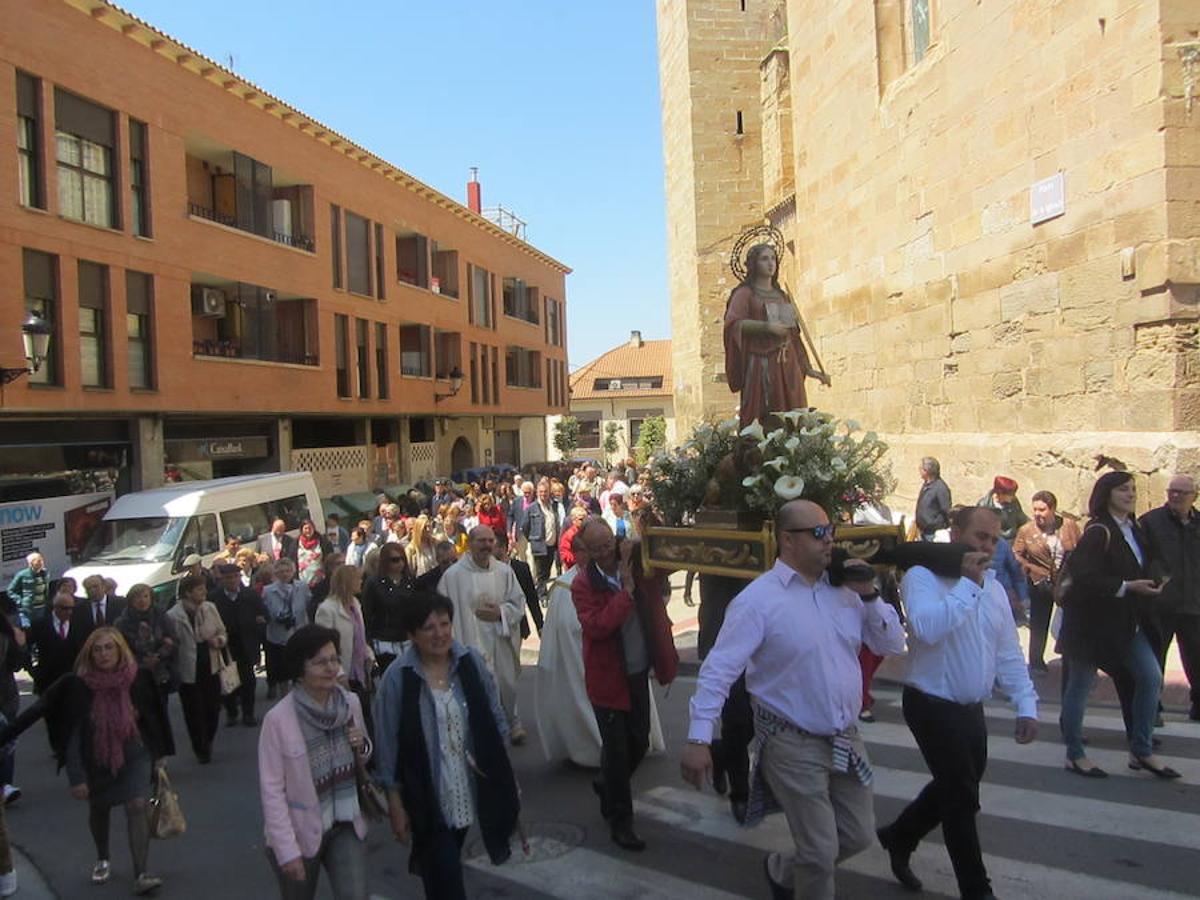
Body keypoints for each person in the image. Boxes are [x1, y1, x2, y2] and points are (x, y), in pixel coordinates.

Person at [680, 501, 902, 896]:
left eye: (830, 530)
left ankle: (782, 870)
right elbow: (719, 670)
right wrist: (699, 738)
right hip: (791, 742)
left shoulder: (846, 592)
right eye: (818, 533)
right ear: (788, 540)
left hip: (845, 737)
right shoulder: (757, 601)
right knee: (819, 853)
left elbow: (891, 642)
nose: (829, 539)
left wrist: (869, 594)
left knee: (858, 835)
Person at [877, 506, 1038, 898]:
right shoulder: (922, 578)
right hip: (931, 702)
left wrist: (1026, 703)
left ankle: (900, 834)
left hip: (970, 708)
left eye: (993, 539)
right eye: (979, 537)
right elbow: (927, 629)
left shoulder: (995, 588)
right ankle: (976, 889)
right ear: (955, 532)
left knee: (956, 788)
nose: (987, 546)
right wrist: (968, 583)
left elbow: (1007, 652)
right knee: (961, 798)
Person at [372, 592, 520, 900]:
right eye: (428, 627)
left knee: (441, 872)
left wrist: (505, 776)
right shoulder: (398, 678)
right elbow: (388, 745)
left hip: (465, 786)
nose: (439, 633)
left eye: (444, 624)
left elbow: (495, 719)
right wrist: (395, 804)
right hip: (427, 794)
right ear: (412, 635)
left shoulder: (470, 663)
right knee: (447, 874)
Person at [1057, 471, 1174, 778]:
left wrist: (1158, 578)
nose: (1130, 494)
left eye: (1133, 489)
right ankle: (1075, 753)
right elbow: (1085, 576)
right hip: (1091, 624)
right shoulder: (1099, 531)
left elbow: (1152, 559)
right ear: (1107, 493)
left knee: (1151, 678)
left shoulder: (1135, 528)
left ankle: (1141, 750)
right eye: (1123, 489)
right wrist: (1126, 586)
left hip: (1126, 622)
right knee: (1081, 685)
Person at [575, 518, 678, 852]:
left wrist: (651, 534)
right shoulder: (583, 585)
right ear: (587, 552)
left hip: (636, 673)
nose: (606, 552)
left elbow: (665, 565)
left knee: (637, 742)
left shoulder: (633, 560)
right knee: (618, 753)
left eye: (609, 543)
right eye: (597, 549)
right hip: (607, 680)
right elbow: (598, 626)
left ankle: (607, 782)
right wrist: (627, 590)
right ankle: (621, 822)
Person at [258, 625, 370, 899]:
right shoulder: (278, 720)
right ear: (300, 668)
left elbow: (365, 756)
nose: (331, 668)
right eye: (320, 662)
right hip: (299, 831)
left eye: (334, 659)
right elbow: (272, 791)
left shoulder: (350, 704)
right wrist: (286, 851)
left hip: (345, 822)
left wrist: (362, 745)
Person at [59, 628, 169, 894]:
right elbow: (72, 735)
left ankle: (141, 872)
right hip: (96, 759)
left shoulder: (137, 678)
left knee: (137, 805)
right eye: (98, 649)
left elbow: (156, 717)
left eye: (109, 647)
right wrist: (76, 777)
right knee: (99, 810)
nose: (104, 654)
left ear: (120, 650)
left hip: (135, 755)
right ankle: (103, 857)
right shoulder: (80, 685)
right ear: (89, 654)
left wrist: (159, 755)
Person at [438, 526, 528, 744]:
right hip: (469, 638)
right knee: (478, 685)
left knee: (506, 682)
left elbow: (518, 603)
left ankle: (512, 720)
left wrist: (501, 613)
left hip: (500, 637)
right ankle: (486, 729)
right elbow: (442, 611)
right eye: (481, 541)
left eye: (490, 541)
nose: (487, 545)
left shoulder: (504, 572)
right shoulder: (453, 576)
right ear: (470, 544)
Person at [723, 242, 827, 429]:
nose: (771, 263)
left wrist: (809, 369)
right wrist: (766, 327)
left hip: (789, 366)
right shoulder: (745, 294)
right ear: (754, 264)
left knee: (793, 417)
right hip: (761, 366)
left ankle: (793, 453)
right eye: (764, 259)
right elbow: (733, 324)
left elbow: (794, 337)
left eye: (773, 258)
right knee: (765, 416)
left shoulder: (782, 296)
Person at [1139, 474, 1200, 720]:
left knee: (1196, 657)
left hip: (1194, 604)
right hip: (1160, 604)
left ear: (1194, 496)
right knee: (1154, 659)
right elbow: (1143, 559)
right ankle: (1151, 708)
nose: (1175, 496)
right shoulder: (1150, 522)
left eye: (1181, 493)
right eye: (1171, 491)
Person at [1013, 491, 1082, 672]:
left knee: (1069, 621)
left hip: (1066, 581)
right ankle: (1036, 662)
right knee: (1038, 623)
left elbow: (1081, 549)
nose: (1037, 514)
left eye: (1042, 510)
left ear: (1052, 509)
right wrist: (1028, 569)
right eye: (1035, 509)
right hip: (1040, 582)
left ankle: (1069, 657)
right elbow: (1017, 554)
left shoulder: (1069, 526)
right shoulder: (1026, 530)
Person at [166, 575, 228, 764]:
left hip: (211, 664)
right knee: (193, 711)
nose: (204, 592)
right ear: (188, 593)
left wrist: (218, 641)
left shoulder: (210, 608)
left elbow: (222, 632)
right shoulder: (173, 616)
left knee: (213, 708)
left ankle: (207, 738)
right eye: (200, 589)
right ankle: (200, 748)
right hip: (188, 669)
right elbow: (171, 643)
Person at [113, 584, 177, 760]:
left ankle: (160, 753)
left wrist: (160, 654)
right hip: (135, 676)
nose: (142, 601)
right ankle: (143, 750)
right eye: (138, 598)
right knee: (141, 714)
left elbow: (173, 640)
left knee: (159, 712)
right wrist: (140, 661)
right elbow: (120, 648)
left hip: (159, 673)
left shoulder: (161, 616)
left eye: (145, 597)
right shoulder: (123, 622)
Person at [315, 565, 375, 736]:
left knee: (366, 722)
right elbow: (324, 646)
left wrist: (369, 656)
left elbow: (360, 637)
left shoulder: (355, 604)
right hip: (341, 675)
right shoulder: (327, 609)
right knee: (349, 724)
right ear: (347, 582)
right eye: (358, 578)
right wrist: (339, 673)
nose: (361, 582)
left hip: (360, 672)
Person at [212, 564, 268, 727]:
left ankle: (248, 714)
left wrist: (259, 624)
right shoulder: (215, 597)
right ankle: (231, 712)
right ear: (222, 579)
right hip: (226, 645)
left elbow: (264, 614)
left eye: (236, 577)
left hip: (247, 642)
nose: (233, 581)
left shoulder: (249, 594)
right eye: (228, 577)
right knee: (229, 681)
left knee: (248, 681)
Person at [361, 546, 416, 672]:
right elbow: (367, 613)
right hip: (384, 640)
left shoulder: (410, 580)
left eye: (402, 559)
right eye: (394, 560)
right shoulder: (374, 583)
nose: (400, 563)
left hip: (407, 638)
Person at [263, 559, 311, 701]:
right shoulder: (268, 590)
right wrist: (277, 617)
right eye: (281, 571)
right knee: (282, 671)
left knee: (299, 668)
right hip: (278, 635)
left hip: (298, 632)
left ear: (293, 571)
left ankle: (301, 697)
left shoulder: (302, 587)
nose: (285, 574)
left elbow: (308, 603)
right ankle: (285, 698)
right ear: (276, 573)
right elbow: (266, 611)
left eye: (288, 571)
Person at [29, 590, 82, 695]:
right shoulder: (40, 625)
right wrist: (32, 670)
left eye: (72, 608)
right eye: (65, 608)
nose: (69, 612)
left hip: (72, 679)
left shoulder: (78, 623)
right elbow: (26, 647)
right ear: (56, 607)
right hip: (47, 680)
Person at [494, 530, 543, 636]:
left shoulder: (521, 569)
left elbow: (531, 598)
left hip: (518, 624)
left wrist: (540, 625)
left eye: (492, 547)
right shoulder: (486, 571)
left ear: (503, 548)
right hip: (494, 626)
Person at [522, 480, 559, 590]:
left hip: (551, 544)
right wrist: (532, 538)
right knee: (540, 572)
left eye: (545, 491)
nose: (543, 494)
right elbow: (525, 526)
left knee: (547, 570)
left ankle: (542, 590)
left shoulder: (554, 506)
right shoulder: (532, 508)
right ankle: (542, 594)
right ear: (537, 493)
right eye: (541, 492)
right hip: (539, 544)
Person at [73, 574, 125, 642]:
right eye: (89, 588)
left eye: (95, 587)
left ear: (104, 586)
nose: (92, 590)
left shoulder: (120, 603)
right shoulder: (80, 608)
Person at [979, 475, 1030, 542]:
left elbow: (1021, 517)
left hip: (1015, 538)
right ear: (1000, 494)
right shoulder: (984, 507)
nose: (1013, 497)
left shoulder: (1013, 502)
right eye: (1010, 494)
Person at [7, 551, 48, 628]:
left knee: (40, 629)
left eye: (41, 560)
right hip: (27, 609)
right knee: (28, 630)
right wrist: (20, 601)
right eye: (38, 561)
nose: (41, 563)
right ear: (31, 563)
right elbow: (10, 590)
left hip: (41, 608)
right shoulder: (22, 574)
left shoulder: (45, 573)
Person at [915, 457, 952, 541]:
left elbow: (946, 510)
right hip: (923, 532)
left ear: (926, 471)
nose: (919, 471)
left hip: (933, 533)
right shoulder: (926, 485)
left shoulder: (940, 488)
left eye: (921, 468)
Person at [296, 520, 333, 589]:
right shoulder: (296, 543)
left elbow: (330, 558)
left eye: (310, 528)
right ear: (301, 530)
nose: (308, 530)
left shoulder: (323, 541)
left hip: (320, 580)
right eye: (306, 528)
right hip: (303, 580)